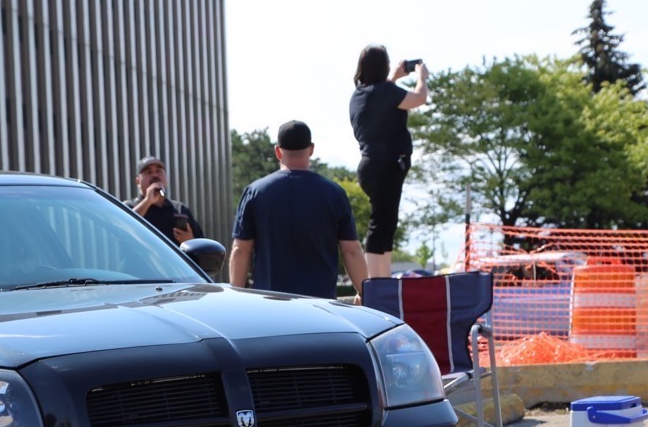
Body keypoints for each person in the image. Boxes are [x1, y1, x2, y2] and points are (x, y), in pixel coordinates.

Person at [229, 120, 368, 300]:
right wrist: (363, 292)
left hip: (269, 305)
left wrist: (235, 298)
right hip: (321, 305)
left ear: (278, 152)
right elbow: (351, 250)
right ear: (311, 149)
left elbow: (241, 249)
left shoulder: (255, 192)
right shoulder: (334, 193)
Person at [349, 44, 429, 279]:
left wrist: (393, 78)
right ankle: (375, 284)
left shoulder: (359, 95)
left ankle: (382, 281)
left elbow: (381, 101)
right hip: (387, 167)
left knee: (386, 224)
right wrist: (421, 78)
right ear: (382, 66)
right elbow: (420, 98)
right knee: (380, 225)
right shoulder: (384, 92)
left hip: (370, 167)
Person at [124, 155, 205, 244]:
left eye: (159, 171)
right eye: (148, 172)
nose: (155, 175)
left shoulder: (179, 209)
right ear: (138, 181)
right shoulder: (129, 207)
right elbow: (123, 227)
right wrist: (147, 201)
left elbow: (201, 246)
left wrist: (190, 241)